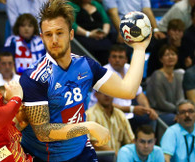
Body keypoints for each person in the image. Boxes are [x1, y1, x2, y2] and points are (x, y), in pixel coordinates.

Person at [19, 0, 151, 161]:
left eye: (59, 32)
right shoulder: (34, 77)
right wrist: (88, 126)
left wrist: (139, 48)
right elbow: (43, 132)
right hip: (46, 157)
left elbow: (128, 90)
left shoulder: (86, 66)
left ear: (71, 34)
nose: (54, 40)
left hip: (80, 152)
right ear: (42, 37)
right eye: (48, 34)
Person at [89, 44, 158, 131]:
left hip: (128, 113)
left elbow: (139, 93)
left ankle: (146, 143)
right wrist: (131, 109)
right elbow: (105, 103)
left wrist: (148, 110)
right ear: (109, 59)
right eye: (114, 57)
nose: (117, 60)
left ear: (126, 59)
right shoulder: (104, 73)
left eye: (120, 57)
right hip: (105, 113)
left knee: (151, 118)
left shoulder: (129, 69)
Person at [146, 45, 185, 126]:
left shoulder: (179, 75)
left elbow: (180, 97)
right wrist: (180, 111)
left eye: (173, 54)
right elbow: (161, 103)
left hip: (176, 111)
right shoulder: (157, 75)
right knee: (179, 119)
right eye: (167, 55)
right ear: (161, 59)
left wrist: (181, 110)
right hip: (159, 112)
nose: (170, 57)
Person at [68, 0, 112, 65]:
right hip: (83, 37)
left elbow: (106, 21)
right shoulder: (71, 6)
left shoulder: (95, 4)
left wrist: (104, 33)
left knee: (109, 46)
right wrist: (89, 34)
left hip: (100, 36)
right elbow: (72, 25)